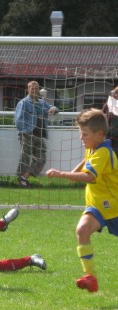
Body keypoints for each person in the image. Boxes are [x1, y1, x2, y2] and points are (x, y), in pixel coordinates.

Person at [46, 108, 118, 293]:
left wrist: (61, 173)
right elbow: (86, 164)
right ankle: (90, 277)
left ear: (99, 134)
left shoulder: (103, 153)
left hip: (115, 208)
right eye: (80, 133)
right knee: (82, 229)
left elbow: (90, 177)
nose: (81, 138)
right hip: (98, 207)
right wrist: (75, 169)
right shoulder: (93, 149)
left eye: (85, 134)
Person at [15, 81, 58, 188]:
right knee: (25, 158)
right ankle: (22, 182)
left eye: (36, 88)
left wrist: (53, 109)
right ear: (28, 89)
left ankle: (24, 177)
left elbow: (54, 108)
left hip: (40, 135)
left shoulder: (41, 103)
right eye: (32, 88)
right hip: (27, 134)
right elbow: (18, 120)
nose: (34, 90)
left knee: (41, 158)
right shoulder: (23, 103)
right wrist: (25, 132)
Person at [101, 86, 118, 156]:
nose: (116, 95)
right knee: (109, 155)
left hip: (116, 137)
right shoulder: (109, 104)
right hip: (109, 136)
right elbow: (101, 115)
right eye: (116, 93)